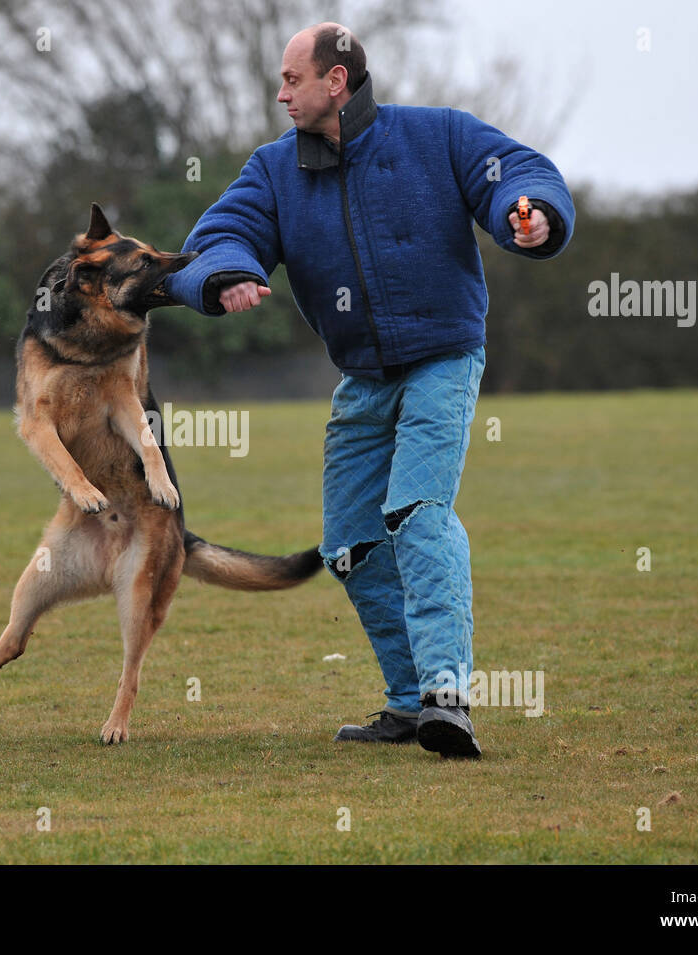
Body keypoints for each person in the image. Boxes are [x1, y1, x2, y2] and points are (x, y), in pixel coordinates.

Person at [166, 22, 575, 757]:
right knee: (350, 545)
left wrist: (532, 210)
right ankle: (411, 704)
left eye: (292, 79)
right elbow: (221, 234)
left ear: (336, 82)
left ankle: (448, 696)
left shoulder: (439, 135)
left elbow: (517, 172)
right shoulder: (275, 170)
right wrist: (227, 273)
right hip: (363, 377)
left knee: (418, 514)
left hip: (444, 360)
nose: (281, 94)